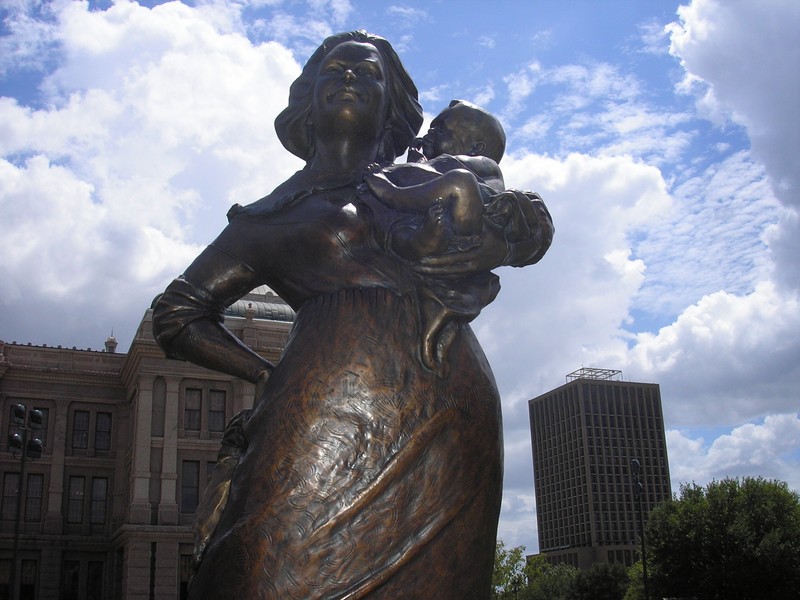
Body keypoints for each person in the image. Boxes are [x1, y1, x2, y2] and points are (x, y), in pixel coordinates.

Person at [152, 30, 553, 600]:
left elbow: (525, 232)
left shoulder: (425, 180)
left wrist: (513, 225)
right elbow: (177, 314)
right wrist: (266, 377)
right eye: (336, 69)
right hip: (317, 416)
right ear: (307, 100)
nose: (350, 78)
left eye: (368, 73)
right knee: (263, 572)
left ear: (392, 104)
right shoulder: (266, 218)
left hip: (448, 414)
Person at [363, 99, 508, 259]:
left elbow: (437, 169)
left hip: (468, 224)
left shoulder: (486, 165)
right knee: (403, 228)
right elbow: (427, 177)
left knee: (461, 181)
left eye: (441, 130)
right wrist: (417, 160)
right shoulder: (437, 172)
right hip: (442, 224)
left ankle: (390, 193)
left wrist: (409, 166)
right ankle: (426, 239)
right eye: (431, 128)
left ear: (475, 148)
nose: (430, 133)